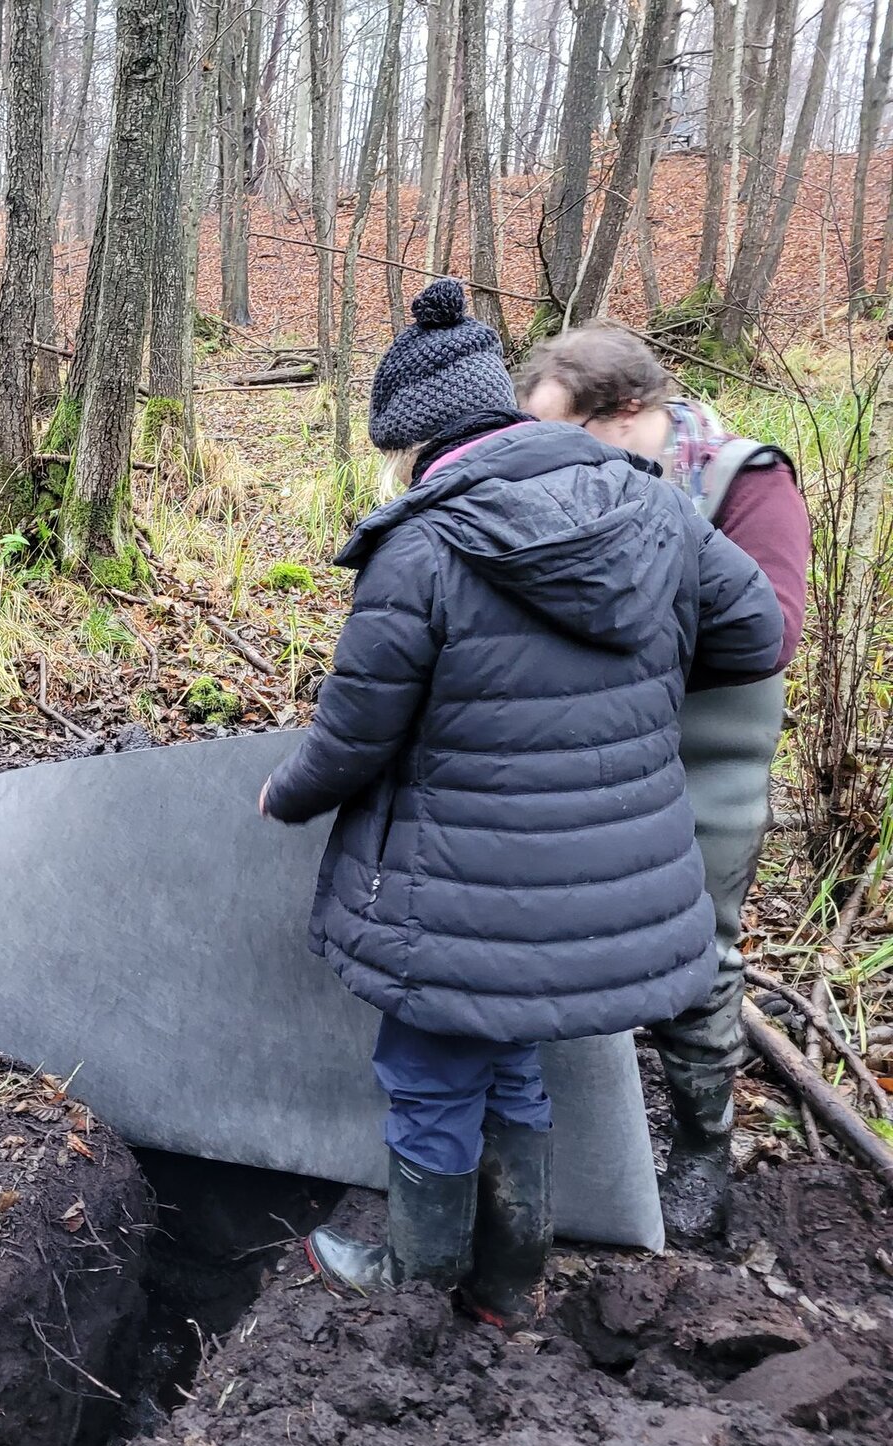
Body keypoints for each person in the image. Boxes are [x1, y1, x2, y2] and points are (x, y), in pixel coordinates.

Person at [257, 279, 782, 1327]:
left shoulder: (420, 545)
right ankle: (504, 1289)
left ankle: (415, 1280)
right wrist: (626, 699)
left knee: (427, 1069)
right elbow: (756, 637)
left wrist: (284, 795)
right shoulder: (648, 506)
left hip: (456, 891)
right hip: (602, 890)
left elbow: (353, 736)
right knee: (508, 1064)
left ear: (418, 443)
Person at [518, 323, 810, 1245]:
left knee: (696, 955)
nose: (551, 458)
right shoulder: (573, 477)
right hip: (587, 742)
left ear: (634, 412)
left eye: (569, 433)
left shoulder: (745, 481)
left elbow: (771, 634)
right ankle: (565, 1131)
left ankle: (700, 1149)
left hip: (705, 756)